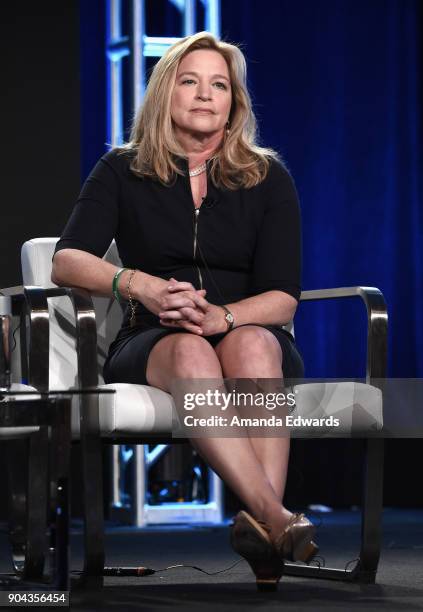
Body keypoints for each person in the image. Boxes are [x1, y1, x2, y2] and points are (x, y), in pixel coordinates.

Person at [52, 31, 318, 590]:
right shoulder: (122, 170)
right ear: (164, 94)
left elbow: (282, 296)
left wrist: (225, 316)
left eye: (219, 84)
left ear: (234, 103)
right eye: (189, 81)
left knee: (254, 342)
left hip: (242, 329)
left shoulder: (268, 177)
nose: (205, 94)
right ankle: (277, 519)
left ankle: (263, 530)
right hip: (152, 340)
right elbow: (68, 261)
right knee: (194, 350)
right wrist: (141, 286)